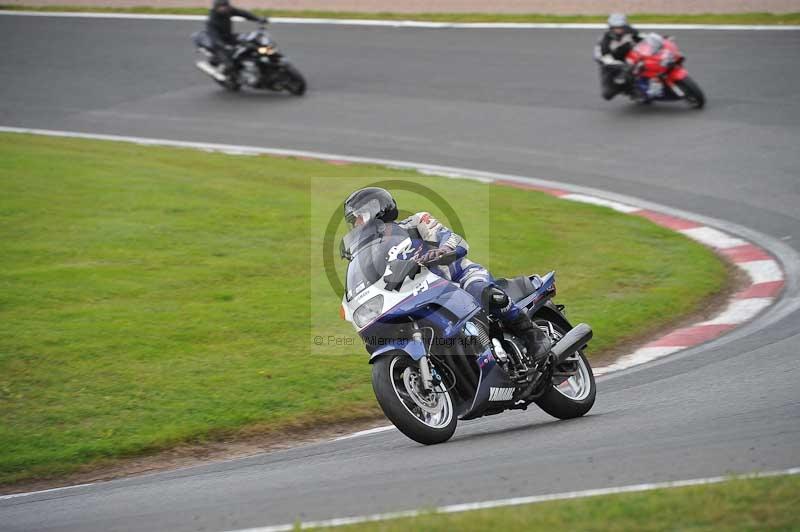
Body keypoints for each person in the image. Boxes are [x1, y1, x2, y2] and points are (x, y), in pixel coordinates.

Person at [343, 187, 552, 365]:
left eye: (358, 218)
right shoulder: (372, 253)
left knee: (481, 291)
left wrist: (441, 251)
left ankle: (531, 333)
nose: (355, 225)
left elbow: (453, 239)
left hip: (458, 278)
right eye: (353, 222)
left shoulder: (415, 223)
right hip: (421, 295)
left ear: (375, 210)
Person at [206, 0, 267, 78]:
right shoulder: (212, 21)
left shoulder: (228, 10)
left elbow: (243, 13)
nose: (224, 8)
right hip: (219, 45)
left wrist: (258, 19)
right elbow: (214, 38)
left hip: (229, 37)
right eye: (221, 7)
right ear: (216, 7)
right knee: (230, 65)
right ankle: (228, 76)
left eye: (225, 6)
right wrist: (224, 46)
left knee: (251, 44)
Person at [593, 13, 642, 100]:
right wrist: (620, 66)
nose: (618, 30)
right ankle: (626, 89)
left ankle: (636, 89)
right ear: (611, 28)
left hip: (630, 58)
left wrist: (659, 39)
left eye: (620, 27)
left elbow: (642, 38)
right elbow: (600, 57)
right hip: (611, 66)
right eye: (615, 27)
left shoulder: (630, 31)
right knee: (607, 94)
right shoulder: (604, 40)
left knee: (634, 67)